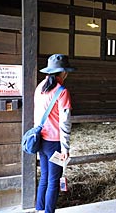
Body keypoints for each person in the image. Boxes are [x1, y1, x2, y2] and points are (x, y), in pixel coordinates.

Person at [34, 54, 75, 213]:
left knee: (44, 177)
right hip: (54, 143)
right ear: (63, 72)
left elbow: (37, 115)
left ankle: (39, 209)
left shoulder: (40, 88)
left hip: (41, 140)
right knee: (54, 181)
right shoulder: (62, 91)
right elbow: (64, 122)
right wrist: (65, 148)